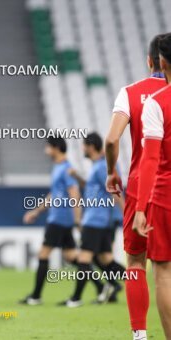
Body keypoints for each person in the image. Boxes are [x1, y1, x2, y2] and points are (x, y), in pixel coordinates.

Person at [105, 33, 168, 340]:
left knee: (135, 261)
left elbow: (112, 139)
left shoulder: (130, 93)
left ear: (149, 61)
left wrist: (111, 171)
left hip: (143, 185)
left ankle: (140, 335)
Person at [133, 32, 171, 340]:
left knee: (164, 273)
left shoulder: (157, 104)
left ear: (159, 62)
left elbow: (150, 161)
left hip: (165, 198)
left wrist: (141, 208)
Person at [59, 133, 126, 307]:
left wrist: (127, 214)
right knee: (105, 259)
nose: (82, 149)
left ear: (91, 146)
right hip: (99, 220)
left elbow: (114, 190)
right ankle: (132, 280)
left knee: (84, 258)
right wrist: (77, 177)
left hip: (96, 219)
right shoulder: (98, 166)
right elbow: (94, 188)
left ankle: (76, 298)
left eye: (83, 145)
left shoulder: (103, 166)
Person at [20, 137, 82, 305]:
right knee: (71, 256)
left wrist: (78, 220)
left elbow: (74, 193)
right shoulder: (59, 167)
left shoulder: (66, 169)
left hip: (59, 218)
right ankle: (101, 286)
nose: (45, 150)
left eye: (48, 147)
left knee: (43, 254)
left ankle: (35, 296)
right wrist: (36, 211)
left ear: (56, 148)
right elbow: (54, 195)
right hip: (60, 218)